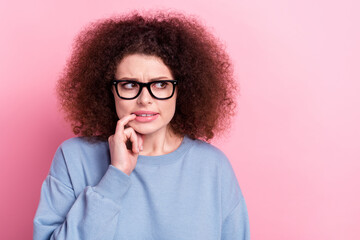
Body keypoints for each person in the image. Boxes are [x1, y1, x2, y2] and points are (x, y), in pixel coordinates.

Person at [33, 9, 250, 240]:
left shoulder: (212, 167)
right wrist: (116, 175)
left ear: (180, 90)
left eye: (160, 85)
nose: (144, 99)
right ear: (110, 91)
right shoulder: (74, 158)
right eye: (129, 85)